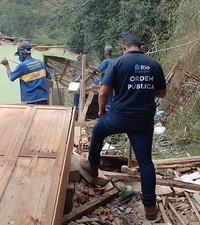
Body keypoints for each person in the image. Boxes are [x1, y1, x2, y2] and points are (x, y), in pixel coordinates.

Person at [80, 34, 166, 221]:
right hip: (143, 120)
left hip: (119, 117)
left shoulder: (117, 63)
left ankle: (93, 165)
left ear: (124, 48)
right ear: (141, 46)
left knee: (97, 130)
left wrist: (102, 112)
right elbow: (162, 93)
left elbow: (103, 92)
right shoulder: (154, 64)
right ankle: (150, 208)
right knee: (145, 162)